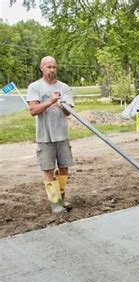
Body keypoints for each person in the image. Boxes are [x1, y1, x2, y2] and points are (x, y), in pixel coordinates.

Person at [27, 56, 74, 213]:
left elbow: (68, 113)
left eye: (54, 67)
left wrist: (62, 105)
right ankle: (54, 202)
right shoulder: (35, 87)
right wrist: (50, 101)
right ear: (41, 68)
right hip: (45, 136)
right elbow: (33, 111)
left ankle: (61, 197)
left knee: (64, 168)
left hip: (62, 135)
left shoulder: (64, 87)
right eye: (48, 67)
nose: (52, 70)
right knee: (47, 169)